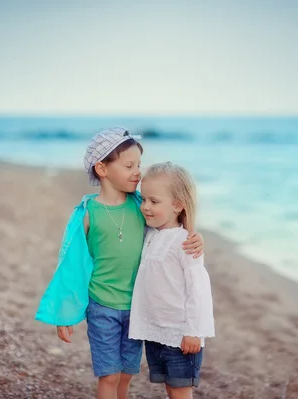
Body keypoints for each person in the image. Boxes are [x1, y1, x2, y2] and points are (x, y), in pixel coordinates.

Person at [35, 128, 204, 399]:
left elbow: (171, 228)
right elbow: (72, 265)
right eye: (129, 165)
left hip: (137, 308)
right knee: (109, 375)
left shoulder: (141, 206)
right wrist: (64, 312)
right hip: (101, 306)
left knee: (126, 374)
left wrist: (196, 236)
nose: (137, 171)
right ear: (102, 168)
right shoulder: (88, 213)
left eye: (139, 164)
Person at [129, 162, 215, 399]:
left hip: (181, 336)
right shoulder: (150, 234)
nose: (145, 207)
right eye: (143, 199)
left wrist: (194, 331)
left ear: (178, 205)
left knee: (180, 391)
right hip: (156, 333)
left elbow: (197, 290)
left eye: (154, 202)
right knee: (170, 388)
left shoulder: (185, 242)